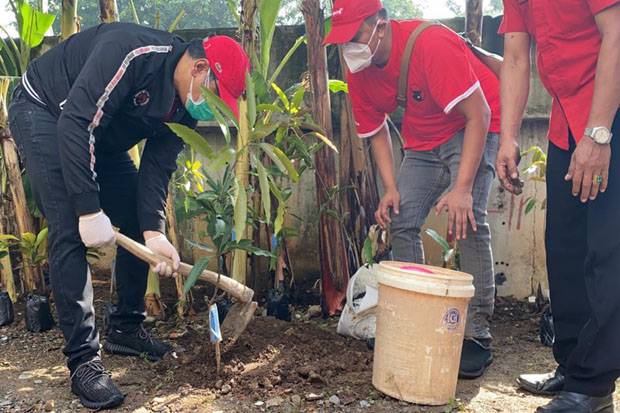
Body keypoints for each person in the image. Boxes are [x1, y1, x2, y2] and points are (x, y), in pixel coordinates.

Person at [8, 22, 249, 409]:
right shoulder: (133, 54)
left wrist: (154, 233)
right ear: (201, 68)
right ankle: (84, 363)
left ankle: (125, 325)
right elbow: (76, 123)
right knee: (69, 224)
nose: (213, 110)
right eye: (218, 99)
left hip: (96, 132)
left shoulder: (184, 109)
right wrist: (89, 210)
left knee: (139, 215)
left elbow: (156, 168)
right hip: (47, 111)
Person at [324, 0, 501, 378]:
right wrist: (390, 188)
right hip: (423, 139)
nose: (347, 49)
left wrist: (463, 188)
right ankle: (419, 317)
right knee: (401, 219)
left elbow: (479, 114)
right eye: (341, 41)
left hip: (474, 125)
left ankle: (477, 336)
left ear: (381, 25)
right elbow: (376, 133)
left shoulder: (430, 44)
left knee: (468, 218)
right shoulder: (359, 71)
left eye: (353, 36)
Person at [497, 1, 620, 412]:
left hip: (610, 112)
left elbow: (617, 32)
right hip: (566, 119)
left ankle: (594, 386)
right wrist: (508, 137)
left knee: (607, 250)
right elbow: (516, 55)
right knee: (565, 247)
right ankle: (572, 366)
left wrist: (600, 134)